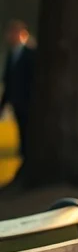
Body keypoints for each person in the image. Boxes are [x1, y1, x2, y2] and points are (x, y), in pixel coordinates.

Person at [0, 20, 36, 159]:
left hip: (28, 99)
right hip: (16, 100)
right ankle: (23, 150)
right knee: (20, 126)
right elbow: (8, 81)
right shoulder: (11, 55)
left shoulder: (31, 54)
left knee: (27, 126)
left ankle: (27, 151)